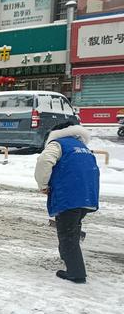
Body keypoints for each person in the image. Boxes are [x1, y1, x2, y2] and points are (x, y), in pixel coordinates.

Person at [34, 122, 100, 284]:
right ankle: (69, 258)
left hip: (69, 195)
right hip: (87, 195)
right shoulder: (82, 146)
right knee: (72, 228)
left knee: (67, 234)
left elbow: (44, 161)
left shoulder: (58, 144)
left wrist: (43, 185)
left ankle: (76, 273)